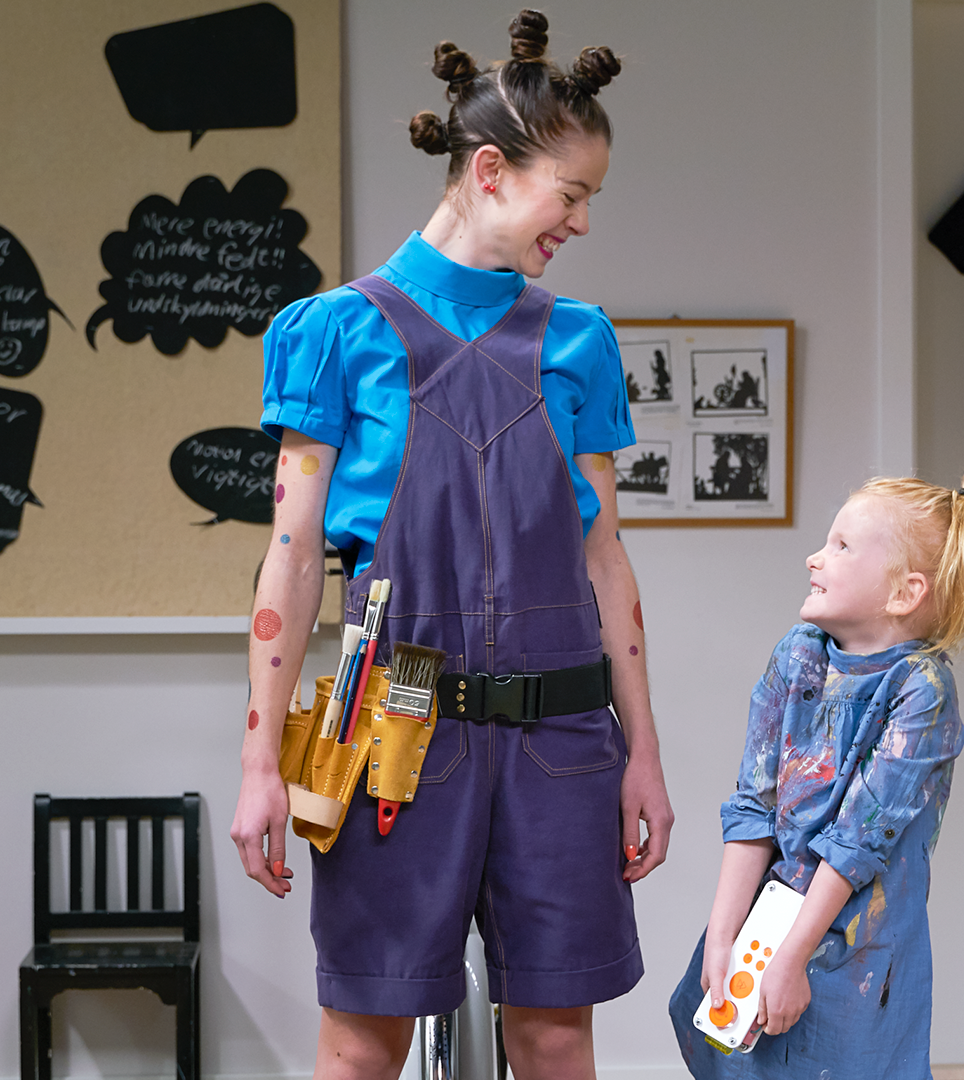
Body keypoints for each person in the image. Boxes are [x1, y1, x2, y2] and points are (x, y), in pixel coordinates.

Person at [229, 11, 674, 1079]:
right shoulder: (332, 334)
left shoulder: (579, 341)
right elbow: (291, 559)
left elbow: (606, 560)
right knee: (361, 1043)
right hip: (391, 733)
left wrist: (645, 753)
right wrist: (258, 763)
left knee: (557, 1038)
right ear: (489, 171)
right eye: (571, 194)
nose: (581, 221)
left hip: (562, 741)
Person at [668, 459, 964, 1079]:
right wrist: (722, 936)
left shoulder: (922, 690)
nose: (814, 558)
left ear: (905, 592)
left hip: (858, 951)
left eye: (841, 547)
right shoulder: (797, 655)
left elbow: (856, 843)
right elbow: (755, 806)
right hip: (767, 925)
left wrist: (794, 957)